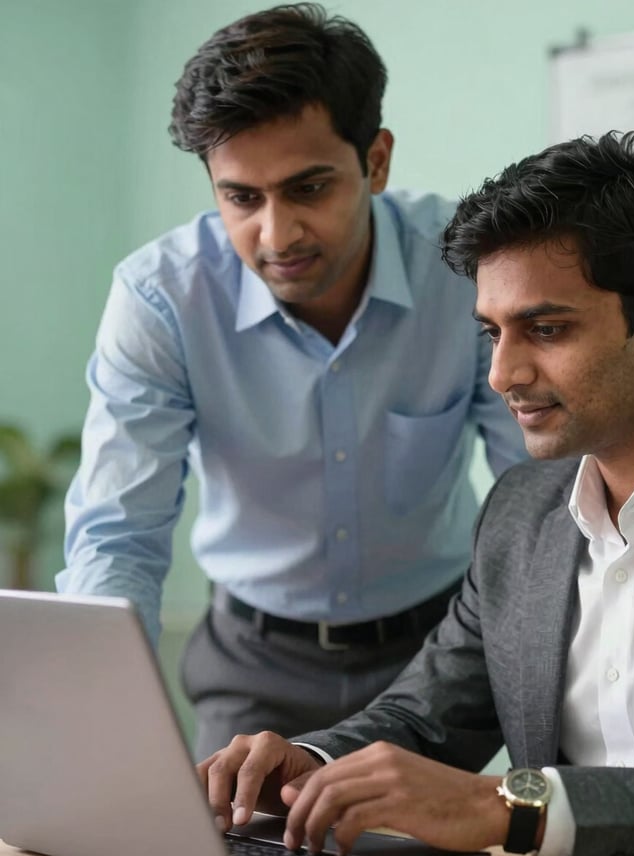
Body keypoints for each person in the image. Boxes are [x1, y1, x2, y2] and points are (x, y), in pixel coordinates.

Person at [198, 130, 634, 856]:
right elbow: (428, 718)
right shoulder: (522, 509)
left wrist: (517, 807)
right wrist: (309, 763)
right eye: (492, 332)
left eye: (546, 329)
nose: (502, 373)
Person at [55, 3, 527, 760]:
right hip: (252, 666)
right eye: (242, 198)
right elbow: (120, 533)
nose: (277, 236)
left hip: (435, 658)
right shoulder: (161, 299)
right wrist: (102, 727)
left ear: (375, 161)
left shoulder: (466, 273)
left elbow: (539, 498)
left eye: (309, 188)